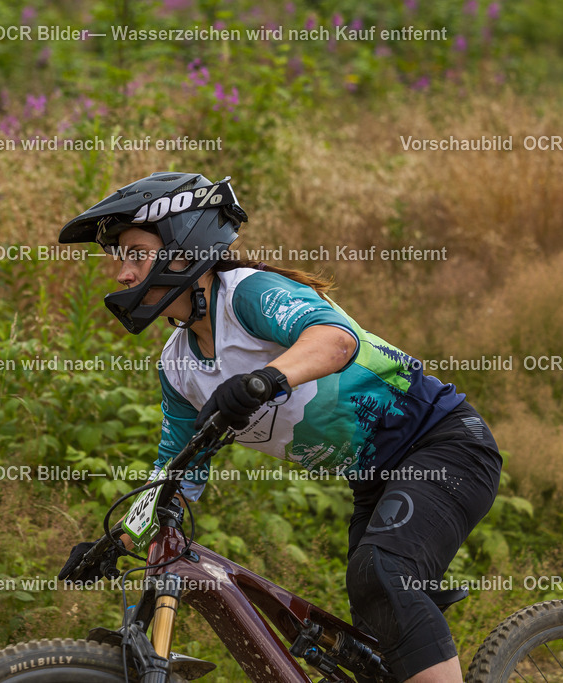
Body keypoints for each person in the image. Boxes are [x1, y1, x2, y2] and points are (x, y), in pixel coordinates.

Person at [56, 172, 503, 683]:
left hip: (445, 444)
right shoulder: (177, 365)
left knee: (382, 573)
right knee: (372, 639)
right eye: (117, 258)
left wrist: (265, 380)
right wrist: (116, 539)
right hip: (374, 481)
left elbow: (335, 341)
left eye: (134, 253)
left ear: (184, 248)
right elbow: (176, 473)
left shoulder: (246, 294)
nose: (120, 273)